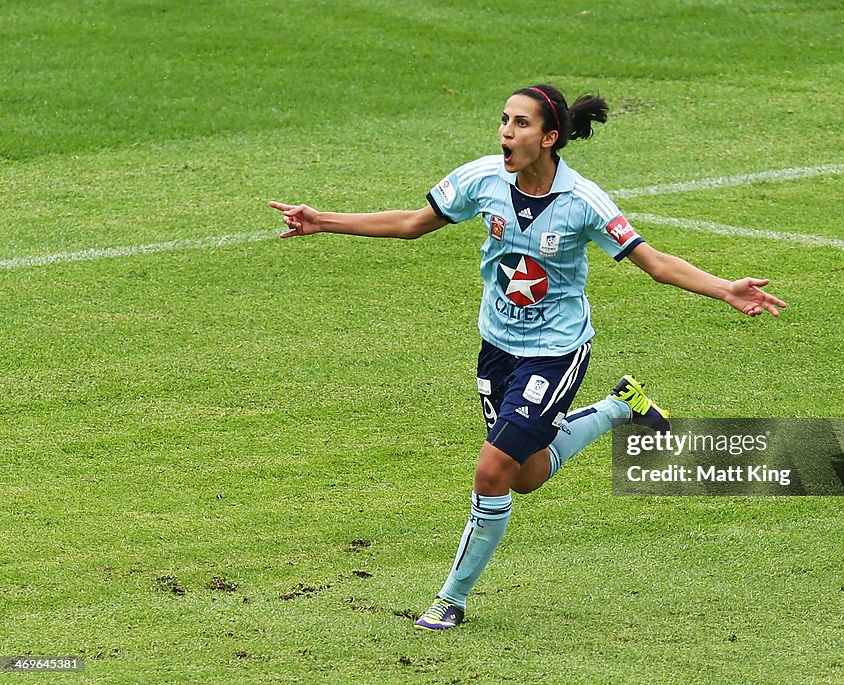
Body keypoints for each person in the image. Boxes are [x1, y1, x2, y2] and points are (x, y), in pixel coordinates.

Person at [269, 84, 787, 631]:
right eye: (504, 121)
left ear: (549, 137)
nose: (506, 133)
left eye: (519, 124)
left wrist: (725, 289)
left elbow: (654, 262)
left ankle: (450, 599)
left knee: (492, 470)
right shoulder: (482, 179)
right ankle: (618, 408)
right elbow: (410, 224)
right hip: (497, 349)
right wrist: (323, 220)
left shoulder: (583, 201)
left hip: (556, 353)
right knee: (527, 475)